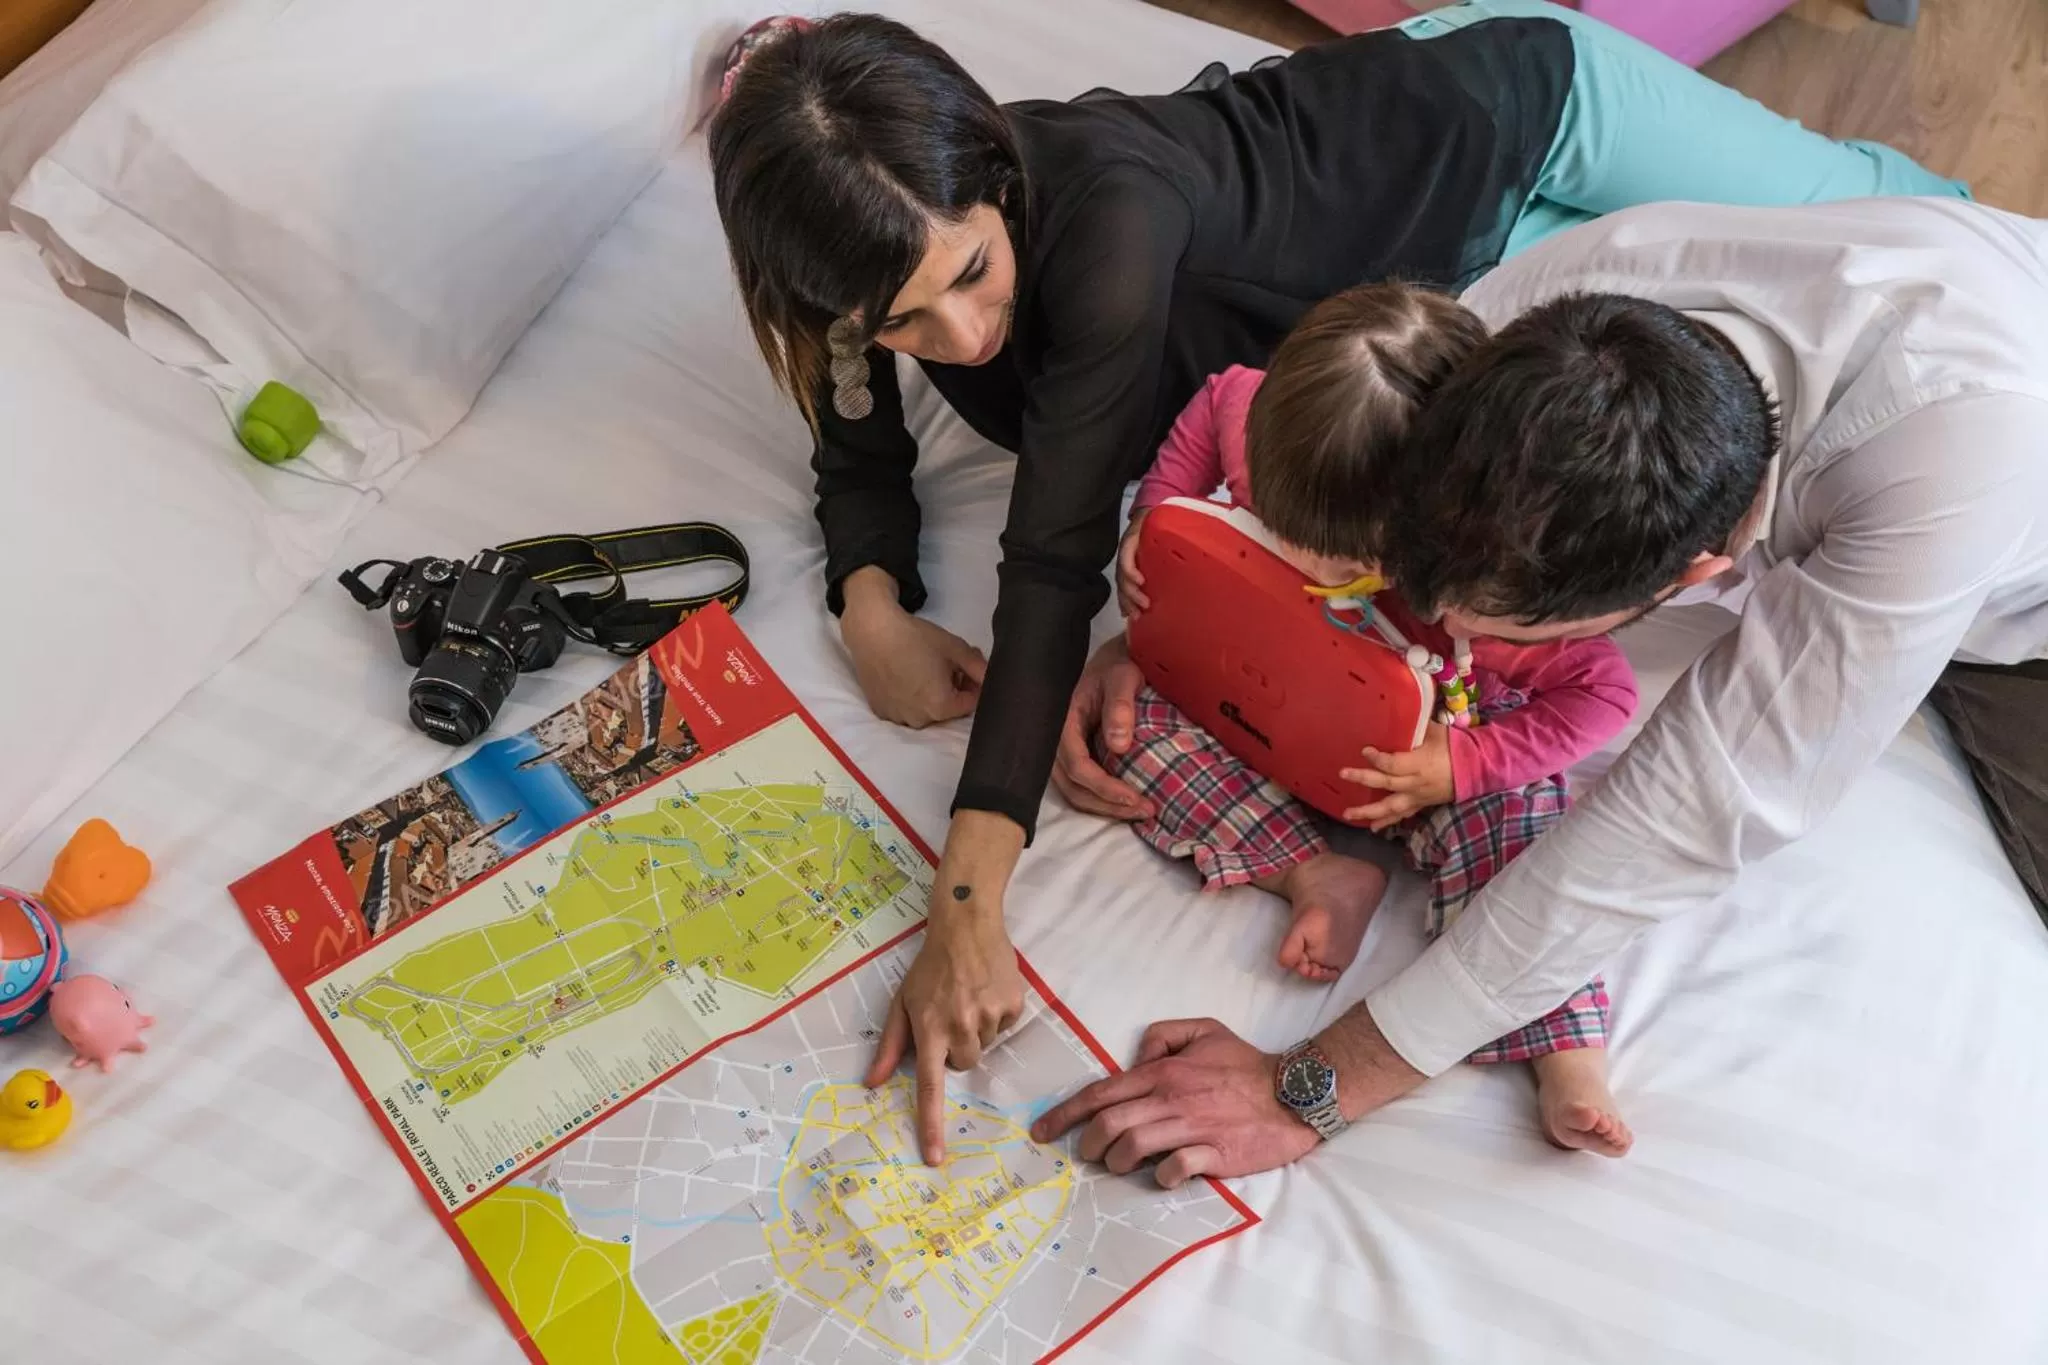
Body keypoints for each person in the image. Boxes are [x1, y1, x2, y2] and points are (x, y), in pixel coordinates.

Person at [709, 3, 1967, 1165]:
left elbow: (1049, 560)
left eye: (974, 276)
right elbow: (851, 409)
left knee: (1910, 213)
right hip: (1445, 312)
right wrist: (868, 598)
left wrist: (967, 908)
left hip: (1504, 117)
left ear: (993, 178)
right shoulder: (869, 274)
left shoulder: (1105, 227)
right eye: (905, 322)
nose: (965, 341)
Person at [1037, 196, 2048, 1187]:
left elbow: (1681, 819)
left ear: (1684, 581)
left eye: (1494, 633)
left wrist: (1311, 1086)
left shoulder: (1945, 465)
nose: (1448, 644)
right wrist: (1167, 631)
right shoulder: (1555, 296)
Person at [1111, 284, 1640, 1155]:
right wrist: (1149, 524)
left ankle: (1566, 1050)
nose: (1320, 562)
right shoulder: (1256, 424)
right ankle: (1313, 873)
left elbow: (1604, 696)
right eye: (1296, 526)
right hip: (1252, 706)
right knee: (1121, 720)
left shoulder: (1479, 608)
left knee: (1523, 832)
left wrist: (1461, 766)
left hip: (1409, 773)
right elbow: (1214, 402)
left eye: (1363, 558)